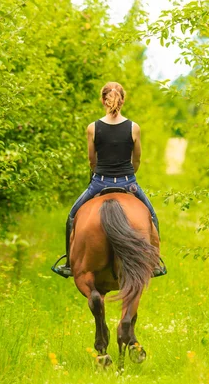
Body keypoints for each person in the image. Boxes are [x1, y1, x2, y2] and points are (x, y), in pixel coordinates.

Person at [52, 81, 166, 278]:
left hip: (100, 182)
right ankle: (155, 263)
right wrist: (128, 175)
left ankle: (70, 263)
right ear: (122, 101)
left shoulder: (92, 128)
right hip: (128, 183)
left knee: (71, 217)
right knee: (152, 217)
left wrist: (100, 173)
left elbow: (91, 160)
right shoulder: (134, 127)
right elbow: (136, 159)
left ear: (103, 100)